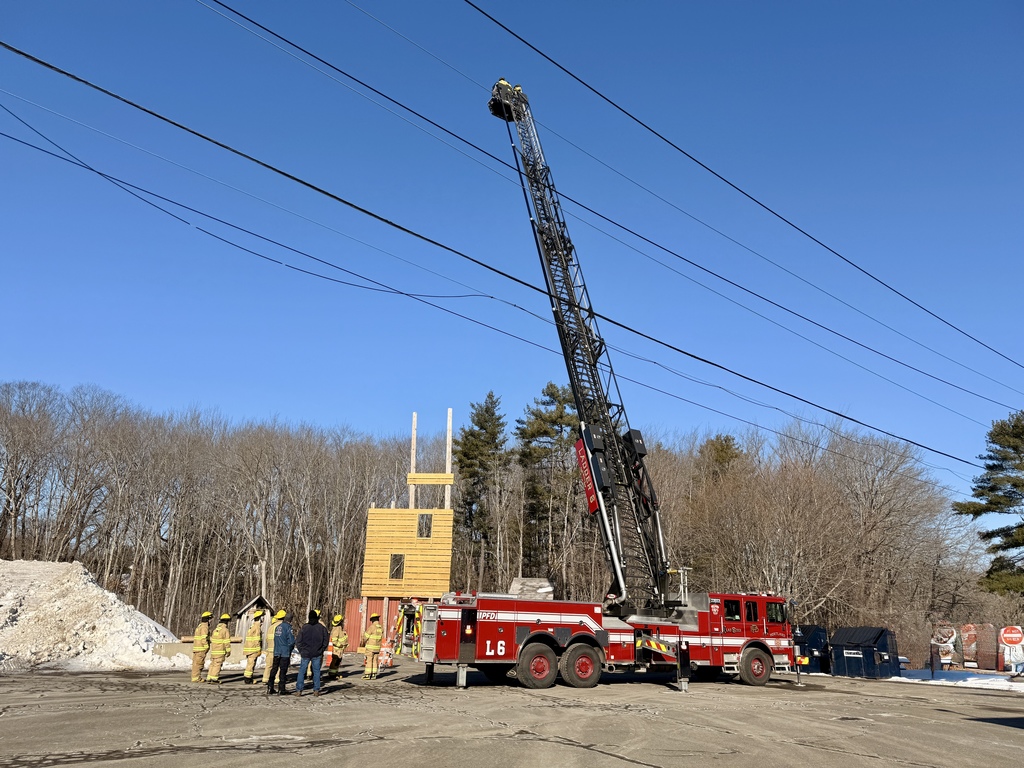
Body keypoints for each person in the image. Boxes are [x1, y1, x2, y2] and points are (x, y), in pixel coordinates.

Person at [294, 609, 330, 697]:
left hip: (305, 653)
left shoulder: (304, 627)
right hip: (317, 653)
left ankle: (299, 690)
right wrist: (321, 650)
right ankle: (316, 690)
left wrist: (301, 650)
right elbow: (326, 640)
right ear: (317, 618)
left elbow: (298, 641)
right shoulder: (322, 628)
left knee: (302, 671)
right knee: (316, 672)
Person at [266, 612, 295, 696]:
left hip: (276, 651)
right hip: (284, 653)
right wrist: (290, 650)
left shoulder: (278, 627)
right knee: (283, 671)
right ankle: (281, 689)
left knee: (274, 669)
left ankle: (270, 687)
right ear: (290, 620)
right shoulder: (288, 628)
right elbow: (291, 641)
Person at [261, 610, 286, 687]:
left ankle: (265, 679)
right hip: (277, 649)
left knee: (269, 665)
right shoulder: (281, 626)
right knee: (278, 665)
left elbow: (267, 639)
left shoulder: (271, 627)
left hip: (270, 649)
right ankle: (277, 679)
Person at [206, 613, 232, 684]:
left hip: (214, 651)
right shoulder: (225, 630)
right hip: (220, 651)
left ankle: (209, 677)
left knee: (213, 664)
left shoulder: (215, 630)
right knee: (217, 664)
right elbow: (227, 642)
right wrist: (228, 651)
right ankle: (214, 678)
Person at [242, 609, 265, 684]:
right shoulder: (257, 627)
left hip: (249, 648)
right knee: (251, 664)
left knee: (249, 663)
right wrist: (258, 650)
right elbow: (257, 639)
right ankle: (248, 679)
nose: (263, 619)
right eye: (262, 617)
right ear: (260, 618)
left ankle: (248, 677)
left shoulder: (252, 626)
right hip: (253, 649)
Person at [191, 611, 213, 683]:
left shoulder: (200, 626)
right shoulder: (204, 627)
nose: (211, 621)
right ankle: (197, 678)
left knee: (195, 663)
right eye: (210, 619)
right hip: (201, 649)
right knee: (199, 663)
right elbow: (204, 638)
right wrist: (206, 646)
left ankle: (195, 677)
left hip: (197, 648)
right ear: (207, 619)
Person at [361, 613, 384, 680]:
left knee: (369, 660)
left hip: (370, 648)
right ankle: (374, 675)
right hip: (377, 648)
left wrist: (363, 643)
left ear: (372, 620)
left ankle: (367, 675)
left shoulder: (371, 627)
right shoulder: (381, 628)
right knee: (375, 661)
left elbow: (365, 637)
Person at [327, 614, 349, 679]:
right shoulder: (336, 629)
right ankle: (332, 674)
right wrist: (340, 645)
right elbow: (334, 641)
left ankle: (335, 673)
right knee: (335, 662)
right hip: (337, 649)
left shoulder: (339, 629)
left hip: (340, 649)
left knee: (337, 662)